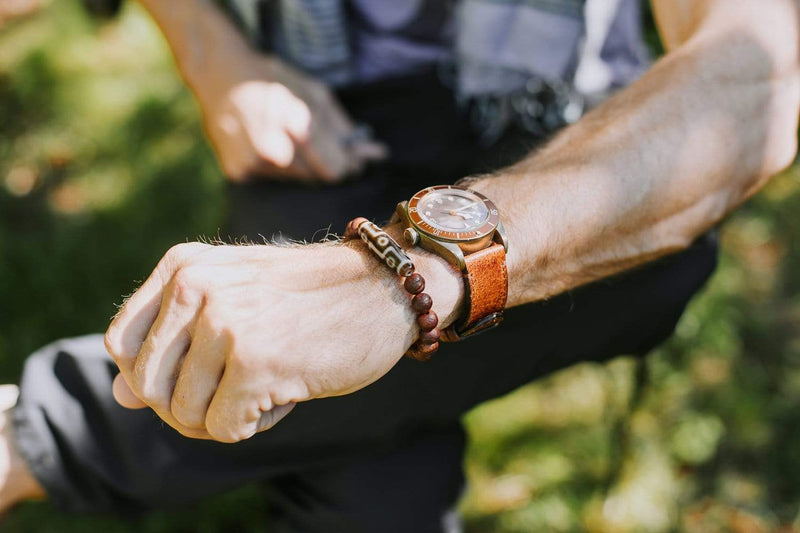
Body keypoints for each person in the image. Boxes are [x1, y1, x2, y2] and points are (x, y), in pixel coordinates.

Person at [2, 0, 799, 531]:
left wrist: (400, 282)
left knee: (661, 261)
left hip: (564, 129)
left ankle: (39, 431)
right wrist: (218, 60)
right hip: (328, 121)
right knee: (371, 499)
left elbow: (756, 82)